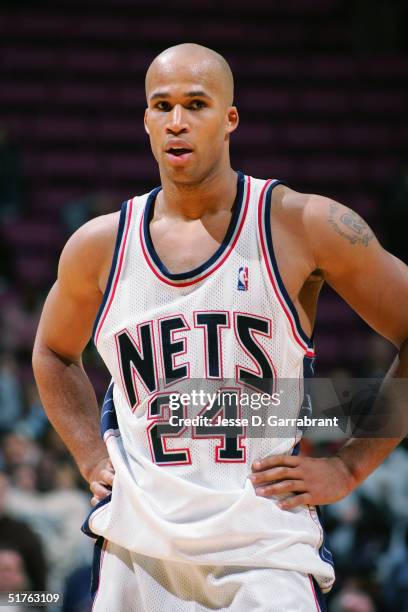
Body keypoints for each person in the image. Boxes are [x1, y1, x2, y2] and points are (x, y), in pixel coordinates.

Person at [32, 43, 408, 611]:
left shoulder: (304, 223)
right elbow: (53, 353)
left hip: (265, 551)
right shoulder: (97, 247)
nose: (177, 122)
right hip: (138, 553)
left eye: (196, 104)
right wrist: (89, 454)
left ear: (230, 118)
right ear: (146, 120)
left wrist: (349, 465)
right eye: (162, 106)